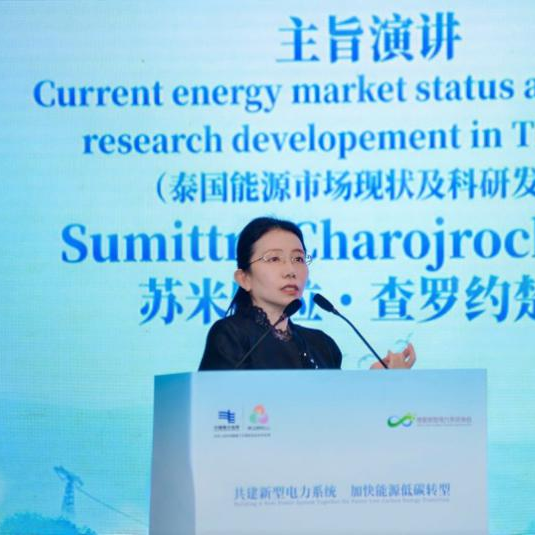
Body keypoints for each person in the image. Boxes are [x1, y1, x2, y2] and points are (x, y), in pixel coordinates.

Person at [198, 217, 416, 371]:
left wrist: (376, 382)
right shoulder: (231, 335)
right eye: (274, 259)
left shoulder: (322, 344)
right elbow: (218, 409)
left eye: (298, 259)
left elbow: (337, 412)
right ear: (244, 278)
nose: (291, 270)